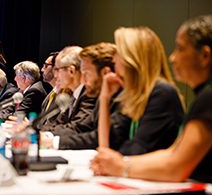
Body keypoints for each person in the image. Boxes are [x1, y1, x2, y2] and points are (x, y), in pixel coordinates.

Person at [91, 15, 212, 183]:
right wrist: (104, 99)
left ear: (205, 56)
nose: (172, 57)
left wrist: (121, 166)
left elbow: (176, 166)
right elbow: (173, 153)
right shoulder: (203, 96)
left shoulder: (174, 94)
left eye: (180, 48)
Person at [96, 27, 184, 156]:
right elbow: (107, 147)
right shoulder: (137, 96)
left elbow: (135, 152)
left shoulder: (162, 93)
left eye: (118, 53)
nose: (113, 60)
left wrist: (110, 160)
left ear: (132, 59)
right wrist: (104, 99)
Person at [41, 42, 131, 149]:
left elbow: (106, 138)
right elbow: (81, 127)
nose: (83, 80)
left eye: (86, 73)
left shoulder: (121, 98)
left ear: (105, 72)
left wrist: (53, 142)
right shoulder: (101, 97)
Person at [40, 46, 97, 148]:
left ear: (71, 71)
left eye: (57, 69)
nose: (55, 75)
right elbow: (58, 123)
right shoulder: (72, 95)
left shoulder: (89, 95)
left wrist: (41, 136)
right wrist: (34, 130)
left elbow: (77, 128)